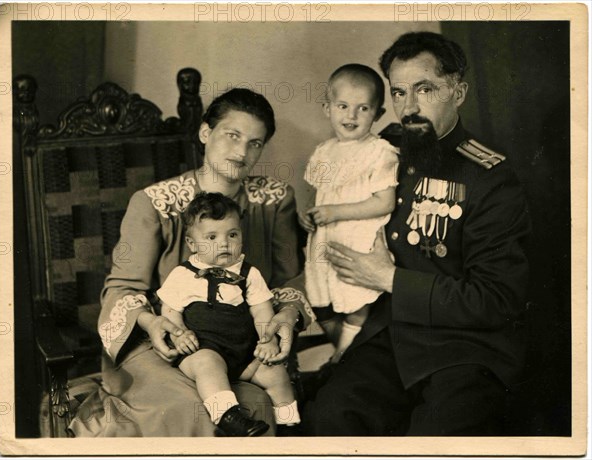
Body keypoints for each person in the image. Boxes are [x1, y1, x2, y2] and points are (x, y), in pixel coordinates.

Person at [303, 31, 531, 436]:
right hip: (391, 334)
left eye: (425, 89)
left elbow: (497, 300)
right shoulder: (382, 150)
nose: (408, 107)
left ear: (457, 93)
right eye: (399, 92)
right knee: (330, 417)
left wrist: (389, 279)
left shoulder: (490, 179)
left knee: (435, 438)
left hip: (465, 348)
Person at [69, 88, 314, 437]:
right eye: (232, 136)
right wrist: (152, 324)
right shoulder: (154, 203)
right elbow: (122, 288)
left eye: (255, 143)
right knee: (192, 406)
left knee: (256, 406)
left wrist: (287, 316)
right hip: (162, 342)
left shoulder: (273, 201)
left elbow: (291, 280)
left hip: (240, 344)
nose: (242, 152)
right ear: (205, 133)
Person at [158, 192, 300, 436]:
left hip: (244, 353)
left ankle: (289, 425)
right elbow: (169, 311)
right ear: (192, 244)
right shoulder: (182, 275)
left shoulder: (249, 273)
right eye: (212, 237)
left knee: (276, 373)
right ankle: (228, 416)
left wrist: (269, 340)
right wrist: (180, 336)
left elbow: (262, 311)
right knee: (207, 365)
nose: (224, 243)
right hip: (203, 349)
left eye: (232, 235)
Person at [299, 64, 399, 362]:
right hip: (326, 238)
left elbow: (385, 202)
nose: (351, 116)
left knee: (356, 302)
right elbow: (323, 197)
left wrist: (335, 212)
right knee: (321, 299)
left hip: (357, 238)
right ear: (327, 108)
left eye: (363, 108)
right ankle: (344, 348)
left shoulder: (379, 152)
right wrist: (312, 216)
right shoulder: (325, 151)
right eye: (342, 106)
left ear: (378, 114)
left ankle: (345, 352)